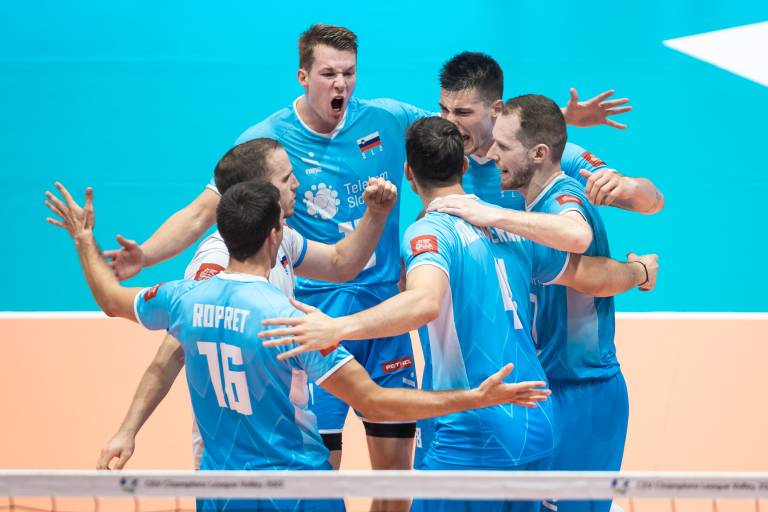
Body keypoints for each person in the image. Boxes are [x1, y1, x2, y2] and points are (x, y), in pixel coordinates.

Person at [102, 24, 635, 498]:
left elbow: (467, 125)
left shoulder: (386, 117)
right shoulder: (266, 143)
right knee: (320, 464)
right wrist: (146, 254)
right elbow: (203, 210)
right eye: (329, 73)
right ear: (303, 76)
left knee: (394, 479)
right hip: (315, 319)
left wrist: (558, 122)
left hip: (385, 320)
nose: (341, 84)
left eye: (349, 73)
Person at [45, 179, 551, 512]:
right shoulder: (290, 322)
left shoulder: (184, 298)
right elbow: (376, 402)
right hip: (297, 491)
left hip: (220, 491)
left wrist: (84, 241)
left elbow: (111, 299)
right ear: (275, 236)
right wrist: (474, 398)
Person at [258, 117, 658, 512]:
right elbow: (588, 275)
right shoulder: (516, 226)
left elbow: (424, 303)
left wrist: (336, 327)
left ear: (408, 174)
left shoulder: (429, 232)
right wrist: (638, 271)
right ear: (465, 165)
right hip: (536, 420)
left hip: (476, 433)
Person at [96, 137, 398, 470]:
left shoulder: (278, 237)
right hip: (232, 452)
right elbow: (171, 352)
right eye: (286, 178)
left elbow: (340, 263)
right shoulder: (215, 264)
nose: (297, 184)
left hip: (283, 438)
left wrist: (375, 214)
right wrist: (128, 430)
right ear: (258, 191)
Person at [430, 95, 648, 512]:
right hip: (546, 389)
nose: (492, 155)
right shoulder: (533, 205)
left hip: (584, 391)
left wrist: (490, 214)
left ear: (539, 153)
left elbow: (578, 236)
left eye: (503, 146)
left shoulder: (562, 198)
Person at [438, 51, 663, 214]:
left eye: (463, 112)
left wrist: (629, 187)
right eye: (444, 110)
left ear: (496, 109)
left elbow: (654, 203)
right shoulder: (435, 141)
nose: (449, 122)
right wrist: (564, 115)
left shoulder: (550, 156)